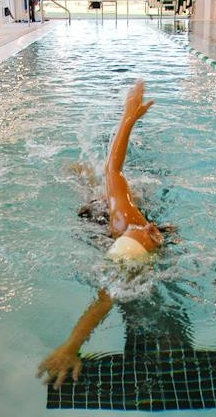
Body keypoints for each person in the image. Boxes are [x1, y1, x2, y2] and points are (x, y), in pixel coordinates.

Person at [37, 80, 164, 388]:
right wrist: (127, 119)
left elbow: (105, 300)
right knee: (96, 196)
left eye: (148, 235)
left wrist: (129, 118)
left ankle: (84, 177)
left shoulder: (128, 227)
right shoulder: (127, 224)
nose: (150, 231)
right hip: (103, 221)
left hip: (106, 226)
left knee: (100, 194)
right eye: (148, 234)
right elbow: (107, 296)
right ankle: (84, 177)